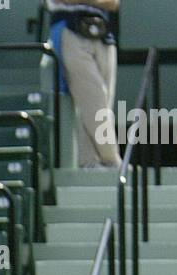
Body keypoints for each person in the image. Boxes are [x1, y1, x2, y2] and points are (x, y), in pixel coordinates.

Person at [46, 0, 121, 171]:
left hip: (102, 31)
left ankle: (89, 161)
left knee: (103, 102)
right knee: (93, 97)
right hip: (70, 27)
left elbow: (114, 3)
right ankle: (111, 159)